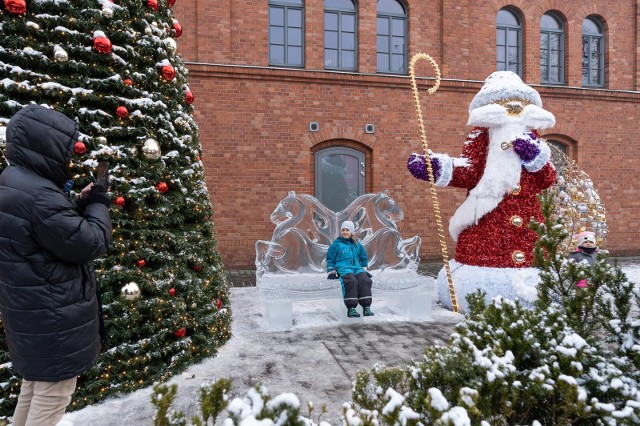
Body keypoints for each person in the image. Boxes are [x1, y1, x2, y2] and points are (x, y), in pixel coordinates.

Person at [0, 104, 112, 426]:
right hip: (52, 322)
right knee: (52, 395)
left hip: (32, 318)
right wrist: (99, 202)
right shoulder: (40, 196)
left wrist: (77, 203)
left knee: (34, 388)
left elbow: (48, 232)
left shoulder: (14, 181)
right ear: (44, 145)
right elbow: (91, 242)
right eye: (65, 149)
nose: (69, 158)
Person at [326, 220, 373, 317]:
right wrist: (331, 271)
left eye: (347, 230)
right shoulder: (336, 245)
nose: (345, 232)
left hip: (356, 267)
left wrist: (364, 269)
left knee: (364, 280)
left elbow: (363, 257)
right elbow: (330, 258)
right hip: (343, 268)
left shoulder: (357, 244)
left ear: (352, 232)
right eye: (343, 230)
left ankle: (366, 307)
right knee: (351, 281)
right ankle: (351, 309)